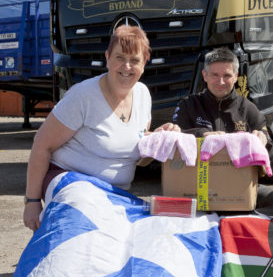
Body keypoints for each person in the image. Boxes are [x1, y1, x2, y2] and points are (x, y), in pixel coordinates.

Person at [23, 25, 178, 231]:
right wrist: (32, 202)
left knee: (154, 229)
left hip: (113, 193)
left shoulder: (143, 95)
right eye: (120, 58)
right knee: (88, 220)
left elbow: (137, 154)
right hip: (70, 184)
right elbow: (42, 145)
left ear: (144, 63)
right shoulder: (83, 96)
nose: (127, 66)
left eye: (135, 60)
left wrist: (156, 139)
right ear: (107, 57)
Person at [172, 47, 273, 207]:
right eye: (215, 75)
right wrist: (202, 135)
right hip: (196, 188)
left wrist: (263, 144)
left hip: (239, 189)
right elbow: (172, 141)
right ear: (205, 75)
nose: (221, 82)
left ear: (236, 76)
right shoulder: (188, 105)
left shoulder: (249, 109)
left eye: (227, 76)